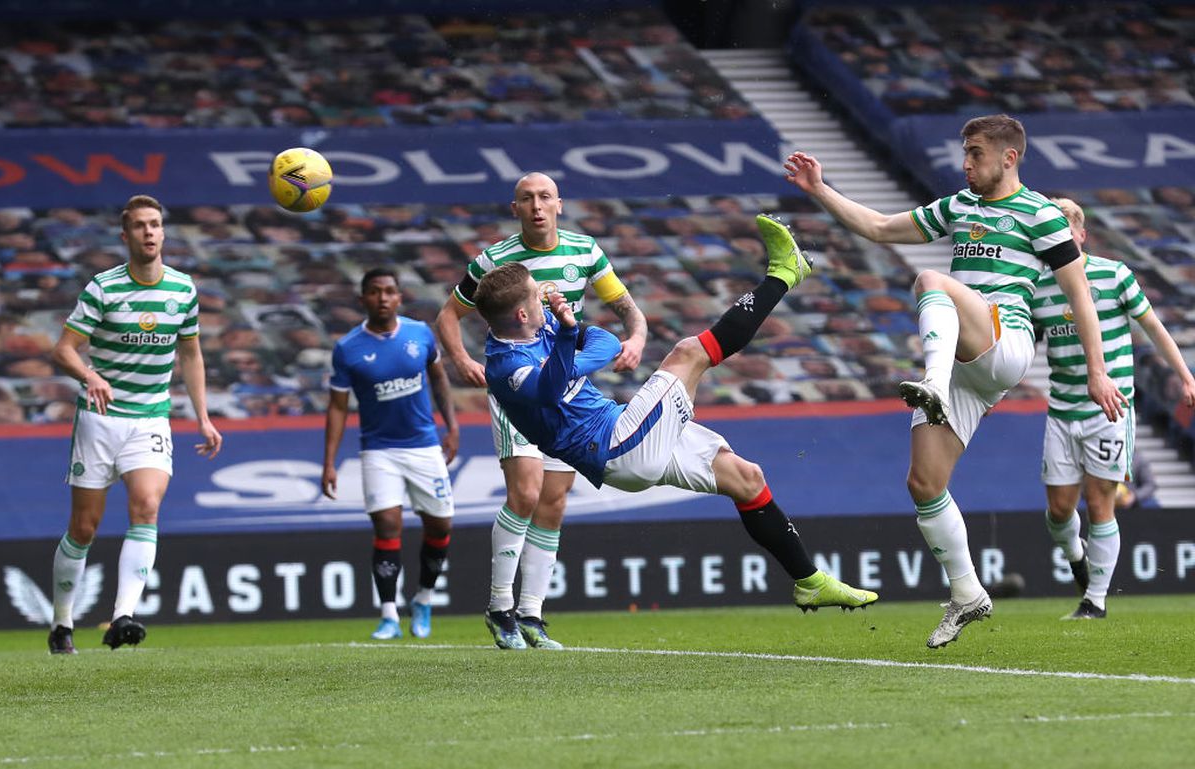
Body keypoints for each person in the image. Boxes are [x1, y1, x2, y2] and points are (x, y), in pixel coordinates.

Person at [782, 114, 1128, 648]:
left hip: (1004, 341)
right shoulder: (958, 207)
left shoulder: (1041, 214)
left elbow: (1079, 294)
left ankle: (934, 383)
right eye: (965, 153)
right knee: (924, 484)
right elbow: (877, 227)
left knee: (929, 279)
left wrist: (1097, 370)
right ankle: (967, 593)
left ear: (1009, 157)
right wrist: (820, 189)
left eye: (977, 154)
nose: (966, 164)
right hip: (966, 360)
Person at [472, 215, 878, 650]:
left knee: (746, 477)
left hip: (621, 427)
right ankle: (784, 274)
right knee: (688, 353)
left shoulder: (542, 326)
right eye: (537, 294)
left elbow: (607, 343)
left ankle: (809, 580)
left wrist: (572, 348)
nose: (547, 296)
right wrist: (571, 336)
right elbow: (550, 389)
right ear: (520, 312)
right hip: (615, 449)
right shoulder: (506, 366)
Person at [436, 172, 647, 650]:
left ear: (559, 204)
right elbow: (448, 313)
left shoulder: (585, 251)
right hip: (518, 387)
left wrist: (636, 336)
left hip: (566, 392)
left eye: (544, 197)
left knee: (553, 501)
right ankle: (499, 608)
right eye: (526, 198)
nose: (536, 205)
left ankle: (532, 614)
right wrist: (463, 359)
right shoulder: (495, 260)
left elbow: (626, 307)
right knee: (526, 493)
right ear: (515, 209)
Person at [47, 194, 223, 654]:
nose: (149, 232)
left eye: (156, 224)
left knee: (146, 505)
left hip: (151, 417)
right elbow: (63, 350)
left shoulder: (183, 290)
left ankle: (122, 616)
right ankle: (61, 623)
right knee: (84, 527)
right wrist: (90, 375)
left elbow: (191, 354)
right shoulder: (102, 288)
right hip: (100, 421)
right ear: (125, 236)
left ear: (164, 232)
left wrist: (203, 417)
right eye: (140, 226)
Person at [1030, 198, 1195, 619]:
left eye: (1066, 233)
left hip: (1111, 410)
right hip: (1062, 410)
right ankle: (1076, 556)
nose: (1058, 242)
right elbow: (1023, 347)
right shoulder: (1038, 288)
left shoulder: (1114, 275)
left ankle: (1094, 601)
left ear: (1081, 235)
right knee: (1058, 511)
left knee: (1101, 503)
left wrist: (1186, 376)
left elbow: (1153, 327)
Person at [322, 268, 459, 640]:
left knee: (441, 525)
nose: (382, 298)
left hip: (424, 445)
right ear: (363, 298)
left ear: (400, 297)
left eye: (389, 291)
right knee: (386, 526)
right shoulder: (348, 348)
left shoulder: (419, 335)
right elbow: (337, 407)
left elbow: (439, 380)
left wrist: (452, 426)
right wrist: (329, 462)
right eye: (374, 292)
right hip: (379, 450)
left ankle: (424, 599)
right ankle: (388, 615)